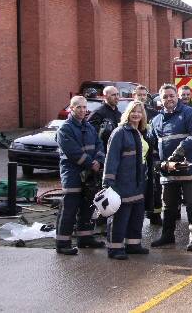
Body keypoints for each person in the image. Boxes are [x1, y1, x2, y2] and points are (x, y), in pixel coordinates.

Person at [150, 83, 192, 251]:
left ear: (177, 97)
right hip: (169, 171)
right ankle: (168, 235)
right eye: (165, 97)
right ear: (161, 99)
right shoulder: (157, 120)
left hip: (189, 169)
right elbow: (152, 144)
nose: (169, 99)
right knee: (168, 205)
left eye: (171, 96)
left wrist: (181, 150)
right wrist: (158, 163)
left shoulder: (190, 113)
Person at [55, 96, 106, 255]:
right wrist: (92, 163)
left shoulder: (89, 127)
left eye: (85, 107)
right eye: (79, 107)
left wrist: (98, 159)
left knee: (88, 207)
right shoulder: (65, 129)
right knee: (69, 209)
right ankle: (62, 243)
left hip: (89, 174)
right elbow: (73, 152)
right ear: (71, 108)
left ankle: (85, 239)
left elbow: (99, 145)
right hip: (72, 174)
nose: (83, 110)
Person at [103, 100, 150, 260]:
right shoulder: (119, 132)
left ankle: (133, 245)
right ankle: (115, 248)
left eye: (139, 112)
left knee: (136, 215)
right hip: (122, 182)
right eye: (133, 111)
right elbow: (112, 158)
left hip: (137, 183)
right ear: (127, 114)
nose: (136, 114)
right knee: (120, 216)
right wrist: (108, 182)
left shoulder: (139, 132)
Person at [133, 85, 163, 226]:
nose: (142, 97)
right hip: (136, 156)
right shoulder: (129, 112)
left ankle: (155, 215)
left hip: (152, 155)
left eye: (144, 95)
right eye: (139, 95)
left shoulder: (153, 113)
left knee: (155, 186)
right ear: (134, 95)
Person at [88, 86, 122, 152]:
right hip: (103, 152)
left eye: (118, 94)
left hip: (117, 150)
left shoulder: (119, 114)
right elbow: (91, 135)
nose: (117, 97)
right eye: (113, 95)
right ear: (105, 96)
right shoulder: (97, 113)